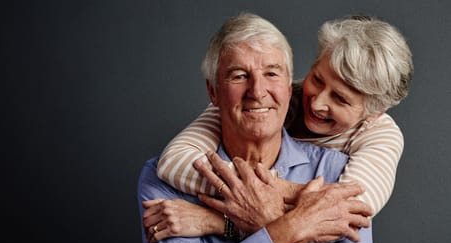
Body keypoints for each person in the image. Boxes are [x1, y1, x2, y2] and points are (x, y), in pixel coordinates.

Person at [138, 12, 381, 243]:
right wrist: (288, 230)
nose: (257, 91)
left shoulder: (337, 175)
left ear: (289, 84)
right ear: (213, 91)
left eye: (271, 73)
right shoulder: (168, 178)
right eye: (239, 76)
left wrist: (256, 223)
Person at [154, 15, 413, 224]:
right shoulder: (269, 100)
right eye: (317, 79)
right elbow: (174, 162)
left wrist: (216, 220)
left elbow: (349, 212)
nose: (317, 102)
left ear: (373, 112)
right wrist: (301, 197)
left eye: (340, 99)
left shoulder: (380, 135)